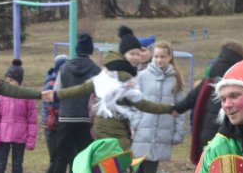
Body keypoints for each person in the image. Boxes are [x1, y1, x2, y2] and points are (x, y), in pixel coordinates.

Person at [50, 25, 171, 155]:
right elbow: (142, 104)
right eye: (132, 54)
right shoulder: (122, 76)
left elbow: (84, 88)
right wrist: (172, 109)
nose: (136, 57)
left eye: (138, 53)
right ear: (123, 55)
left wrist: (56, 95)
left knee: (113, 169)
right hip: (112, 131)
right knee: (117, 170)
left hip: (110, 129)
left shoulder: (110, 72)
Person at [128, 40, 185, 173]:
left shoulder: (176, 79)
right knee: (141, 167)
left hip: (162, 130)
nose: (159, 60)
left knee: (151, 167)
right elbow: (135, 103)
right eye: (156, 56)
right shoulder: (143, 76)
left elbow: (181, 108)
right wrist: (135, 124)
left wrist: (178, 131)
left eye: (163, 56)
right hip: (144, 128)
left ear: (170, 57)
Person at [47, 34, 102, 173]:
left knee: (61, 158)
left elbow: (57, 91)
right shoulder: (95, 69)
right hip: (85, 119)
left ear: (76, 49)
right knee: (83, 160)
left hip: (66, 117)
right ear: (90, 50)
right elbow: (100, 95)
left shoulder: (65, 68)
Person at [173, 40, 243, 165]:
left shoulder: (212, 72)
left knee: (206, 172)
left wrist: (176, 109)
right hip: (225, 135)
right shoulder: (238, 79)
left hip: (205, 133)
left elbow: (191, 97)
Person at [38, 55, 67, 173]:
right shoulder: (52, 82)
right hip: (52, 126)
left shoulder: (60, 80)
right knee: (55, 160)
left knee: (59, 159)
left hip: (59, 125)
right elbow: (52, 102)